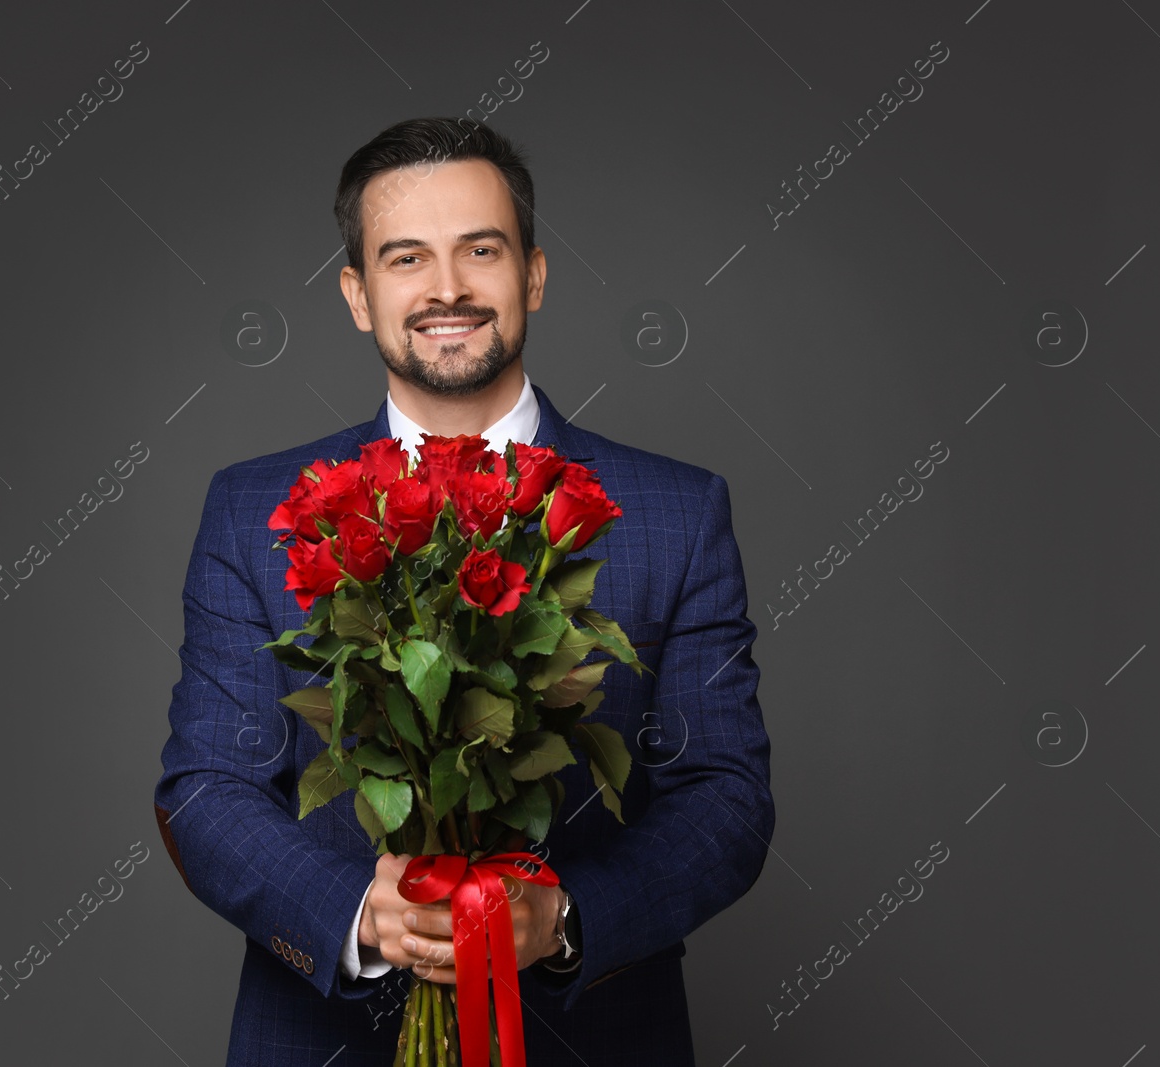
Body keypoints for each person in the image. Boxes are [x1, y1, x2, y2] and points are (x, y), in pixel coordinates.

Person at [153, 116, 774, 1065]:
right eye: (407, 259)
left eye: (479, 250)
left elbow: (724, 796)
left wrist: (561, 916)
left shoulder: (678, 512)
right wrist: (366, 915)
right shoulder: (256, 510)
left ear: (532, 272)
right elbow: (206, 789)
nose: (447, 289)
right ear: (360, 296)